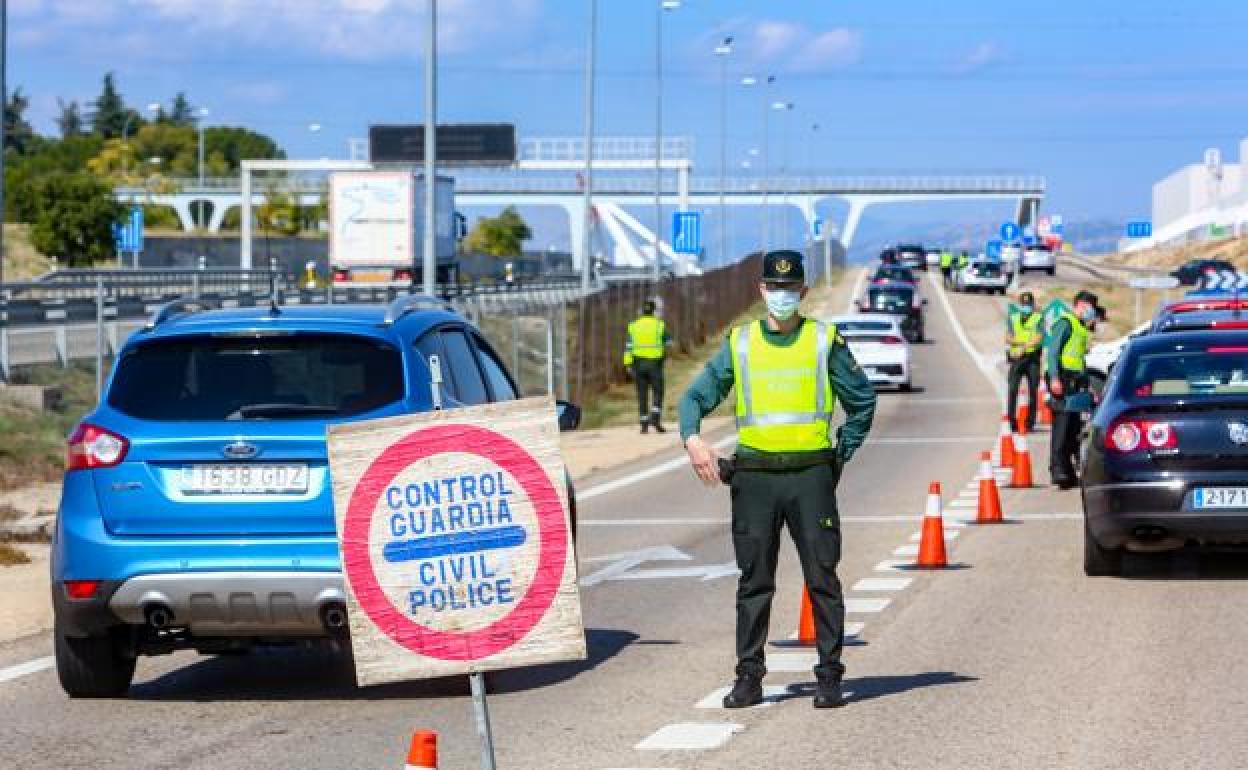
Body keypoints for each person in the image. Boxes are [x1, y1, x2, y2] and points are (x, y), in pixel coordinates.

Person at [679, 250, 877, 710]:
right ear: (761, 290)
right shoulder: (741, 342)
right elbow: (695, 397)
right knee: (754, 583)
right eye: (775, 287)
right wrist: (692, 439)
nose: (782, 296)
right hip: (755, 480)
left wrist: (837, 456)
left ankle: (829, 676)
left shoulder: (824, 339)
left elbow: (862, 402)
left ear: (802, 292)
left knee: (822, 578)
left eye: (790, 289)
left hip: (810, 477)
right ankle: (749, 676)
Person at [1045, 290, 1104, 489]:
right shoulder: (1065, 323)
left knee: (1073, 428)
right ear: (1080, 305)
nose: (1091, 312)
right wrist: (1054, 378)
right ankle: (1058, 470)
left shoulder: (1081, 327)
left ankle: (1068, 470)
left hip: (1075, 382)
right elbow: (1052, 353)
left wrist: (1089, 387)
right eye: (1089, 308)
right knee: (1061, 427)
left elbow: (1079, 361)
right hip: (1061, 379)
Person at [625, 299, 672, 434]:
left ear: (642, 311)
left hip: (638, 364)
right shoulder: (659, 325)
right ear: (653, 311)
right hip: (655, 364)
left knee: (641, 393)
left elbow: (628, 346)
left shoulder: (633, 326)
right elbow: (669, 342)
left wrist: (628, 364)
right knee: (657, 391)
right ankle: (655, 419)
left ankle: (644, 424)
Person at [1005, 291, 1043, 433]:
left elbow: (1038, 338)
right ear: (1020, 305)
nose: (1026, 307)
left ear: (1032, 305)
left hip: (1032, 359)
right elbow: (1008, 338)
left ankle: (1030, 423)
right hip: (1017, 359)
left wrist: (1024, 346)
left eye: (1028, 304)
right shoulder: (1013, 318)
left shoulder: (1038, 318)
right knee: (1012, 389)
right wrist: (1022, 343)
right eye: (1024, 304)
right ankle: (1011, 422)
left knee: (1033, 391)